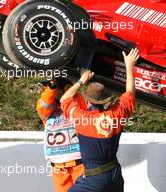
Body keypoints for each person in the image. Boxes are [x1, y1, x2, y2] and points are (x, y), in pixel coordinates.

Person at [60, 48, 139, 192]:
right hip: (115, 175)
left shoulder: (82, 119)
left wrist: (81, 81)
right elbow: (130, 94)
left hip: (94, 180)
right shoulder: (116, 114)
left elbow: (64, 99)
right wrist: (129, 67)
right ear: (106, 101)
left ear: (89, 102)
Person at [36, 77, 85, 192]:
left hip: (79, 165)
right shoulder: (47, 110)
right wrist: (52, 87)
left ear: (66, 89)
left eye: (53, 88)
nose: (47, 90)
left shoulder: (77, 104)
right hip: (58, 168)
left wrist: (71, 88)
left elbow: (77, 99)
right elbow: (44, 104)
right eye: (47, 88)